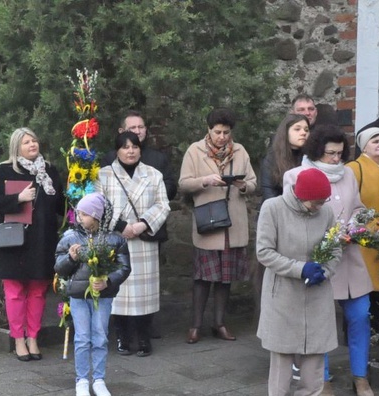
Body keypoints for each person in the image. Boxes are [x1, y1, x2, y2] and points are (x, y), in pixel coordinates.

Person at [284, 125, 375, 396]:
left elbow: (358, 208)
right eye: (330, 154)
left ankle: (360, 377)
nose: (336, 159)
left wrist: (356, 226)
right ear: (315, 151)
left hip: (349, 260)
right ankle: (320, 380)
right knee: (321, 322)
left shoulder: (348, 174)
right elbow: (292, 217)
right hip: (319, 260)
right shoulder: (295, 175)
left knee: (360, 316)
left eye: (340, 153)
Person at [257, 168, 340, 396]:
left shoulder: (325, 212)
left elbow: (336, 247)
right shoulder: (272, 209)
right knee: (282, 349)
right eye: (315, 202)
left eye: (323, 202)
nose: (319, 207)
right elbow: (264, 251)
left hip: (316, 291)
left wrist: (324, 271)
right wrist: (298, 268)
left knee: (315, 349)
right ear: (300, 195)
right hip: (283, 290)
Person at [179, 108, 257, 343]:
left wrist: (243, 186)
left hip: (232, 224)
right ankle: (195, 326)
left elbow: (253, 183)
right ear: (208, 130)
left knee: (226, 279)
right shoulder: (195, 150)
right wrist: (205, 181)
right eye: (217, 132)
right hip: (209, 222)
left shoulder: (240, 151)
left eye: (226, 132)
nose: (222, 137)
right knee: (203, 278)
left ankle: (219, 323)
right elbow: (183, 184)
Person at [0, 128, 64, 361]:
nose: (32, 144)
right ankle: (18, 338)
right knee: (15, 292)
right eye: (26, 142)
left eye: (34, 140)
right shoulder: (5, 169)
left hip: (42, 240)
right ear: (16, 147)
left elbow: (61, 204)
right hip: (15, 240)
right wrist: (18, 199)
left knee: (39, 291)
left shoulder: (49, 170)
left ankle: (33, 337)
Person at [95, 131, 169, 357]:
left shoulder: (153, 174)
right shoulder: (103, 175)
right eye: (125, 147)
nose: (130, 151)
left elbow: (163, 204)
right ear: (117, 150)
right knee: (119, 293)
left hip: (143, 240)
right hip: (116, 241)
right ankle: (123, 337)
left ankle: (144, 338)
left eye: (134, 147)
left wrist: (142, 224)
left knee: (144, 294)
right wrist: (120, 226)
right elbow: (97, 206)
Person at [55, 193, 131, 396]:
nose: (79, 217)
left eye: (84, 213)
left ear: (96, 216)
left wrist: (108, 281)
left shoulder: (115, 239)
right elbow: (59, 268)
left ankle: (99, 380)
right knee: (82, 338)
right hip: (78, 296)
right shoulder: (70, 238)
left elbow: (124, 267)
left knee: (100, 336)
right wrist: (71, 258)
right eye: (78, 213)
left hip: (103, 296)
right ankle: (81, 380)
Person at [347, 127, 379, 333]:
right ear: (364, 146)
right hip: (363, 242)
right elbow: (350, 202)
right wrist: (369, 229)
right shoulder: (354, 168)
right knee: (362, 292)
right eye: (375, 140)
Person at [101, 110, 177, 200]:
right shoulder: (110, 158)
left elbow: (170, 187)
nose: (137, 131)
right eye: (133, 128)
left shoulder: (158, 158)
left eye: (141, 127)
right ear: (121, 131)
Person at [260, 114, 311, 202]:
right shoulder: (272, 159)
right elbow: (268, 192)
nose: (303, 133)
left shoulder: (310, 157)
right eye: (297, 129)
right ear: (285, 132)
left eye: (306, 130)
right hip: (278, 209)